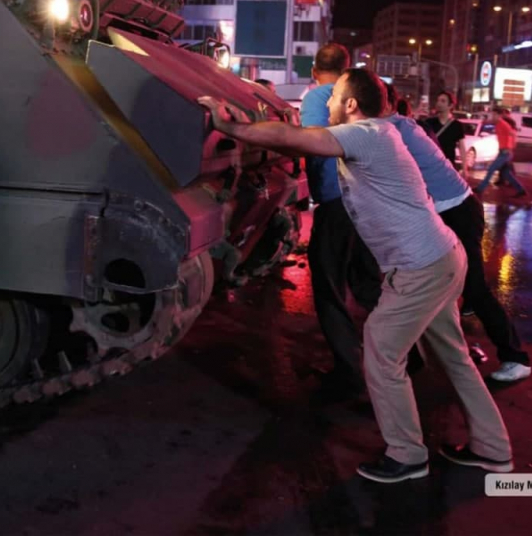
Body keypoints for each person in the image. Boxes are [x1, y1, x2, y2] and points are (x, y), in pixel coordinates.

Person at [199, 69, 513, 483]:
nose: (325, 106)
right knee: (452, 355)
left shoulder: (366, 133)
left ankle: (406, 455)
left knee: (382, 351)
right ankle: (493, 449)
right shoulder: (384, 131)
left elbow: (296, 138)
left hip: (422, 267)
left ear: (351, 104)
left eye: (332, 99)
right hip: (440, 258)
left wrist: (229, 126)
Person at [385, 85, 532, 383]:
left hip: (458, 211)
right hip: (446, 211)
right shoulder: (402, 128)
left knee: (474, 287)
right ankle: (446, 351)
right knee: (442, 285)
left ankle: (515, 357)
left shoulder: (397, 130)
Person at [301, 45, 381, 394]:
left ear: (315, 69)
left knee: (329, 285)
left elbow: (314, 144)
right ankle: (414, 351)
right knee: (367, 284)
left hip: (336, 203)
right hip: (366, 200)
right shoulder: (360, 96)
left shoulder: (317, 96)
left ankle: (349, 372)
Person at [474, 108, 527, 198]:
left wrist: (509, 149)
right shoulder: (498, 124)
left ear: (499, 115)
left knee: (491, 169)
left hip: (505, 152)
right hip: (503, 152)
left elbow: (512, 135)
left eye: (495, 115)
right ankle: (521, 190)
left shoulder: (503, 124)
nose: (493, 116)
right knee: (506, 174)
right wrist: (483, 121)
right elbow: (489, 122)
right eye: (492, 115)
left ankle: (480, 188)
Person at [426, 91, 468, 178]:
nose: (439, 103)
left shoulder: (457, 125)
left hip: (448, 167)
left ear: (451, 105)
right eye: (438, 100)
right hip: (431, 165)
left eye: (443, 101)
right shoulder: (429, 123)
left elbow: (462, 148)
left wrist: (464, 168)